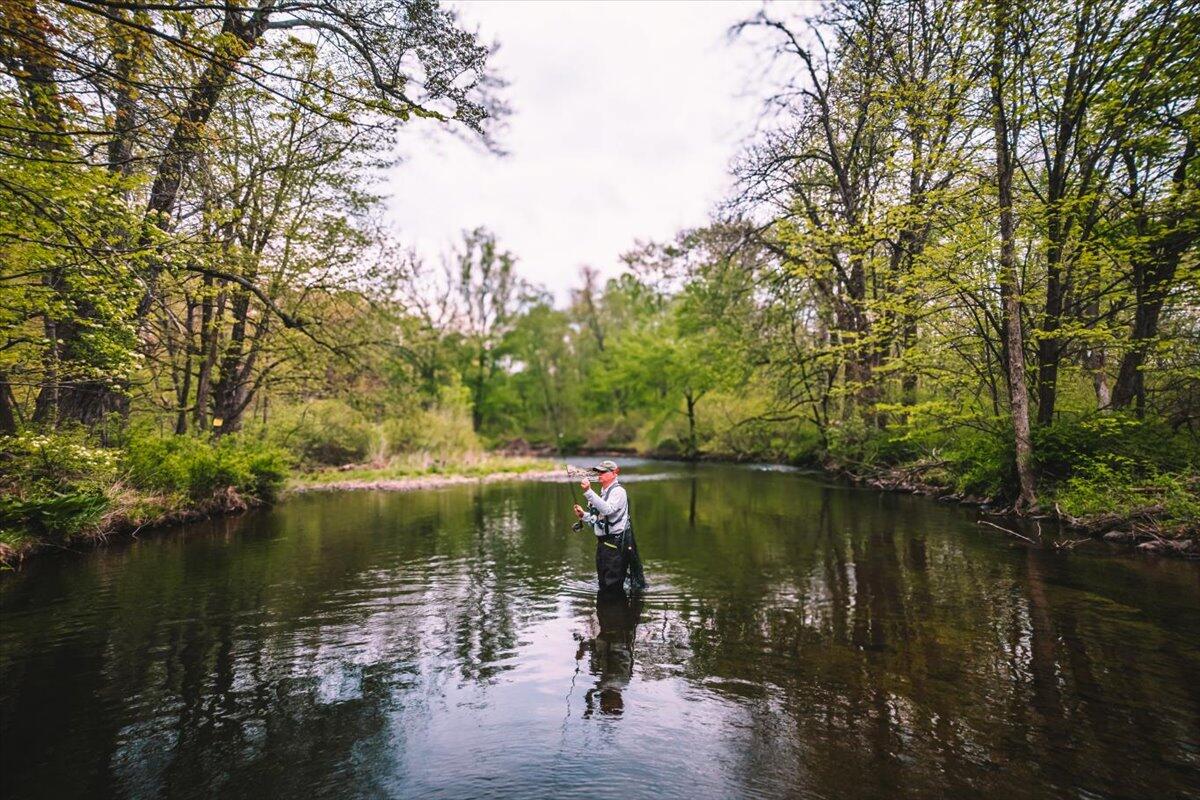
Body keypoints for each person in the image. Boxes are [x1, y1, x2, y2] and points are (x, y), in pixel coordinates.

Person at [572, 459, 646, 592]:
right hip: (602, 546)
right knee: (603, 584)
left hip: (615, 546)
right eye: (598, 472)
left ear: (614, 473)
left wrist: (588, 491)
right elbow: (599, 518)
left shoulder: (619, 492)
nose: (600, 474)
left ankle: (615, 605)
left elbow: (608, 510)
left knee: (612, 586)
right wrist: (583, 515)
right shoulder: (603, 492)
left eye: (603, 472)